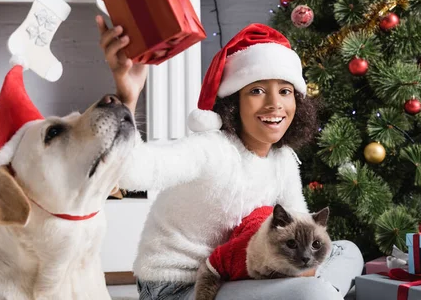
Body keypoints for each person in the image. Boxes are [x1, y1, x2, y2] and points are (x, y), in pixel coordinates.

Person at [97, 16, 364, 300]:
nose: (275, 103)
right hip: (180, 287)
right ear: (233, 103)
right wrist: (128, 96)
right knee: (311, 292)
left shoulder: (283, 158)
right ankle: (324, 292)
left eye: (285, 91)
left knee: (347, 251)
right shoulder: (210, 149)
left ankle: (323, 291)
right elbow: (134, 172)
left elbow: (302, 229)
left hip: (240, 273)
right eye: (257, 91)